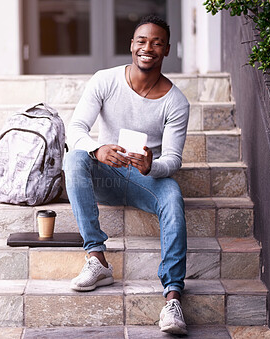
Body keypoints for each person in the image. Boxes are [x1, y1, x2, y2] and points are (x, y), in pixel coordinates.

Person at [63, 14, 189, 335]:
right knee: (75, 158)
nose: (148, 47)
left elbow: (172, 160)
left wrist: (152, 166)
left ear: (167, 50)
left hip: (145, 180)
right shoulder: (105, 80)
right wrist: (97, 150)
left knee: (172, 193)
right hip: (105, 174)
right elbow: (75, 128)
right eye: (142, 41)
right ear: (131, 46)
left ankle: (173, 298)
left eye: (156, 42)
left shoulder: (176, 102)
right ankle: (97, 260)